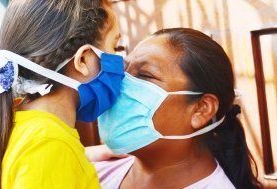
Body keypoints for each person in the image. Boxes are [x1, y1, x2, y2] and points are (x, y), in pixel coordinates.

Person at [0, 0, 124, 188]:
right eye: (114, 47)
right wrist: (61, 153)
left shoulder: (20, 124)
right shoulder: (48, 144)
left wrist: (78, 156)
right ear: (83, 59)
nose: (122, 62)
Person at [92, 28, 262, 189]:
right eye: (124, 70)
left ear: (201, 109)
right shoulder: (92, 174)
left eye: (145, 75)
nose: (119, 85)